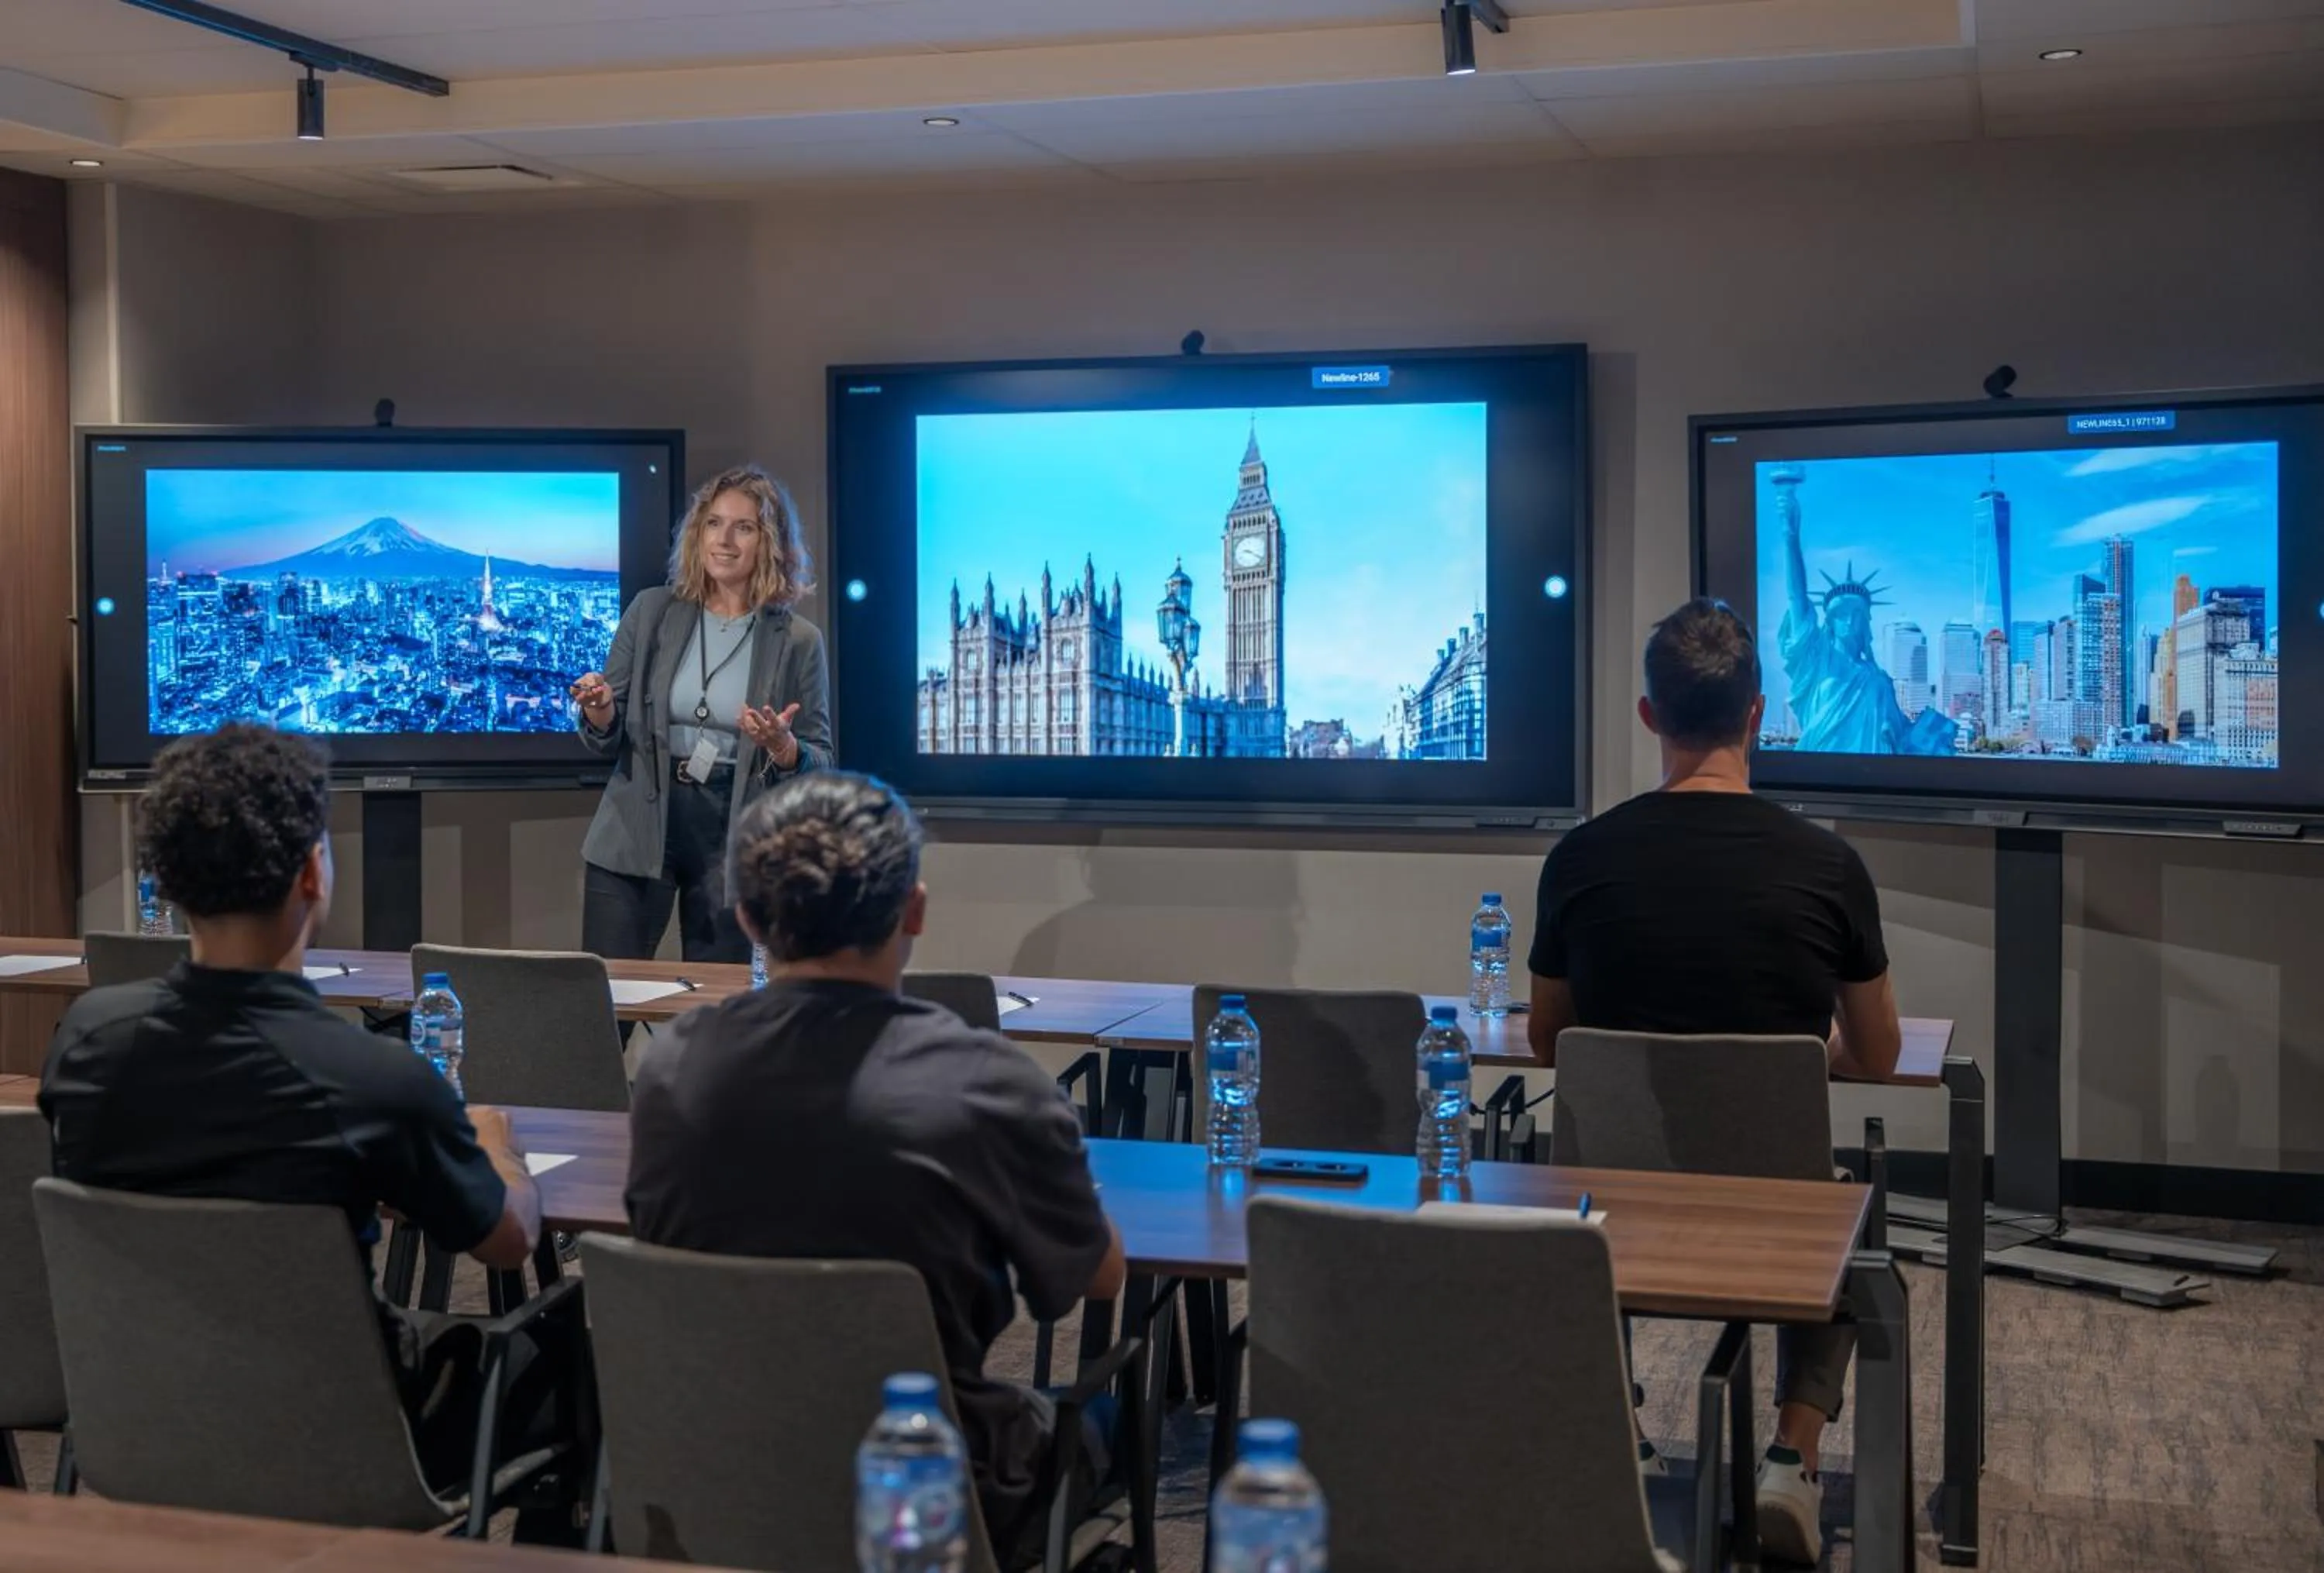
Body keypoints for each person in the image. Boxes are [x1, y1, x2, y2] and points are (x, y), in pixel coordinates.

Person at [40, 725, 575, 1524]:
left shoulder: (85, 1040)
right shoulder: (376, 1078)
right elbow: (504, 1241)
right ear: (312, 872)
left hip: (140, 1419)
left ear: (165, 879)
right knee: (574, 1351)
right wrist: (496, 1149)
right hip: (345, 1432)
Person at [626, 770, 1126, 1568]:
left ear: (751, 920)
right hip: (937, 1488)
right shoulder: (991, 1084)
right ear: (915, 909)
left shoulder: (670, 1069)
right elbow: (1094, 1278)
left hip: (711, 1464)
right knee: (1115, 1416)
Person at [1523, 597, 1903, 1567]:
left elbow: (1548, 1041)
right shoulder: (1829, 866)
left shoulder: (1578, 859)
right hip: (1780, 1223)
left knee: (1564, 1197)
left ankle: (1625, 1440)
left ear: (1649, 718)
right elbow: (1882, 1052)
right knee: (1855, 1210)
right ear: (1760, 715)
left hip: (1611, 1211)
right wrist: (1796, 1060)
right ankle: (1791, 1457)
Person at [572, 463, 834, 965]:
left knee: (723, 1017)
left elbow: (822, 762)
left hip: (733, 837)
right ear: (697, 533)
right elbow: (605, 738)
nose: (725, 540)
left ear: (771, 542)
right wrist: (603, 710)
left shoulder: (798, 641)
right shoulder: (651, 613)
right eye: (714, 523)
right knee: (603, 1006)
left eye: (744, 527)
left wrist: (785, 748)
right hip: (639, 823)